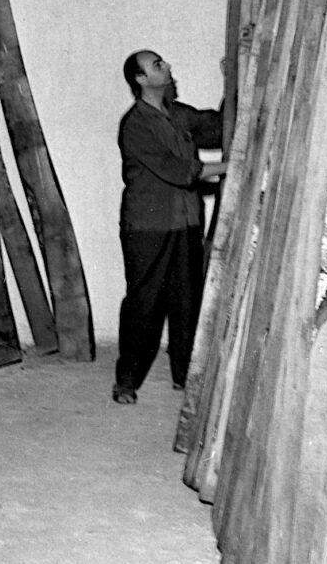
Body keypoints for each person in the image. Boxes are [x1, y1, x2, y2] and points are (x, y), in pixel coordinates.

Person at [112, 49, 226, 405]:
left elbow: (220, 127)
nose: (168, 67)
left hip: (186, 222)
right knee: (144, 303)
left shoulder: (179, 114)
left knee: (186, 302)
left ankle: (184, 376)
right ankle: (126, 381)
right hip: (148, 226)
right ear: (141, 79)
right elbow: (179, 171)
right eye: (157, 65)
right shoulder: (135, 126)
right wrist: (230, 168)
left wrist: (233, 82)